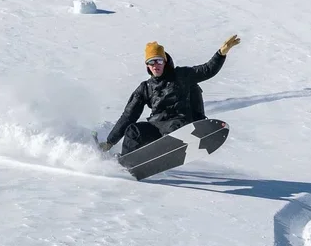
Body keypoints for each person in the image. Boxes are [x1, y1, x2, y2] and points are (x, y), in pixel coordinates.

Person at [100, 35, 241, 156]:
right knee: (133, 131)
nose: (156, 65)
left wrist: (220, 54)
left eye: (159, 60)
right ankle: (127, 162)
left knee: (175, 128)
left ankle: (171, 148)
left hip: (180, 124)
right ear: (147, 65)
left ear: (165, 61)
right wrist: (110, 142)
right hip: (156, 126)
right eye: (151, 62)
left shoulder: (181, 76)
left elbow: (207, 70)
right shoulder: (145, 88)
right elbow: (128, 115)